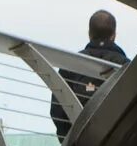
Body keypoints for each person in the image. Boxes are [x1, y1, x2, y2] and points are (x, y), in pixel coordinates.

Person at [51, 9, 129, 138]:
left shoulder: (71, 64)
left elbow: (57, 109)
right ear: (114, 35)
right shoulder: (127, 67)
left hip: (76, 143)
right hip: (115, 144)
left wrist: (68, 140)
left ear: (89, 34)